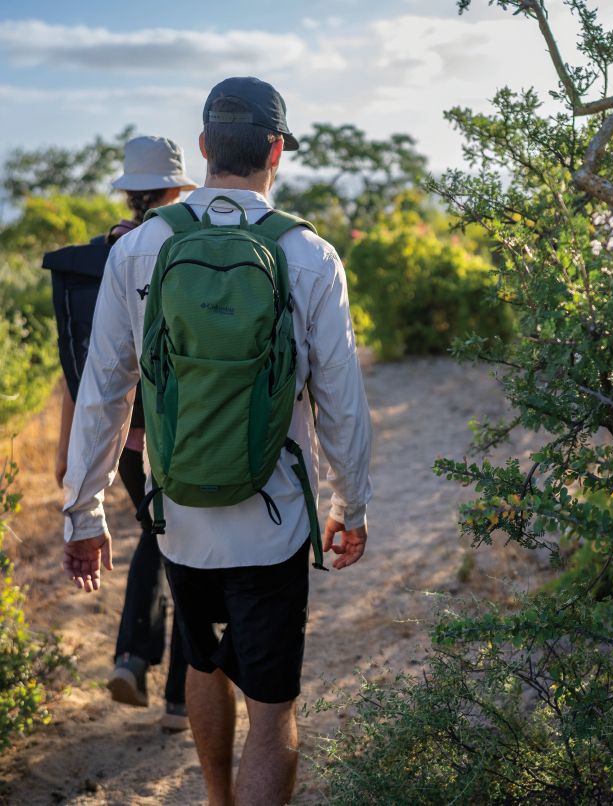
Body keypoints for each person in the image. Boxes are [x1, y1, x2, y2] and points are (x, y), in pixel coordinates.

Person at [61, 77, 373, 805]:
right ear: (275, 150)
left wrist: (84, 512)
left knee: (201, 664)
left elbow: (105, 389)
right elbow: (342, 405)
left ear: (203, 149)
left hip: (179, 514)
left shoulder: (139, 248)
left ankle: (215, 798)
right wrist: (350, 507)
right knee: (274, 714)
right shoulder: (309, 253)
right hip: (275, 520)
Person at [47, 135, 195, 731]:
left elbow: (76, 366)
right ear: (175, 189)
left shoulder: (96, 258)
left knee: (154, 534)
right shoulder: (179, 247)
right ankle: (181, 697)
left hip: (117, 440)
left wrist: (69, 452)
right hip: (179, 431)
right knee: (186, 546)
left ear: (130, 192)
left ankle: (132, 658)